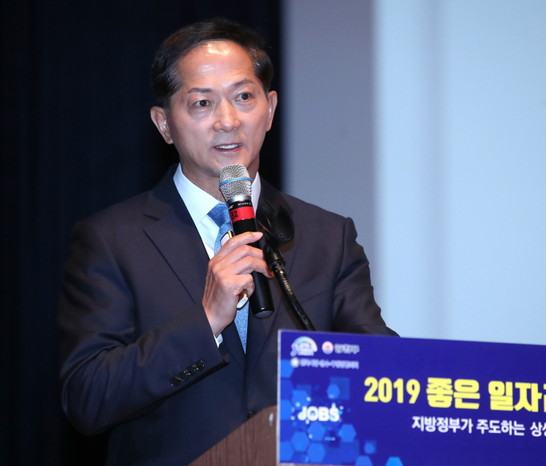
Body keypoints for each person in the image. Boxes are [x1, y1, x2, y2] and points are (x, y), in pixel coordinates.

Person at [58, 17, 396, 465]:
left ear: (270, 109)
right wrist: (206, 320)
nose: (228, 121)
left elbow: (380, 370)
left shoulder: (327, 235)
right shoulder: (112, 239)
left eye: (243, 97)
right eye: (202, 102)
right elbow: (88, 397)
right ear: (164, 123)